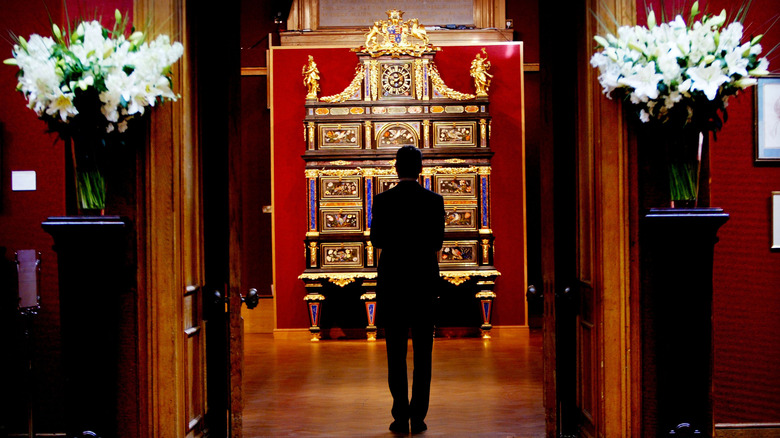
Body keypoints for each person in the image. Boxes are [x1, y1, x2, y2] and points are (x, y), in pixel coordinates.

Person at [370, 145, 445, 434]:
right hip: (424, 282)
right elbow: (437, 243)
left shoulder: (382, 200)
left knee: (395, 352)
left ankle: (399, 414)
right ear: (420, 168)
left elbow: (376, 240)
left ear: (396, 168)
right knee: (424, 353)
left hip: (393, 282)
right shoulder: (434, 200)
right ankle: (419, 416)